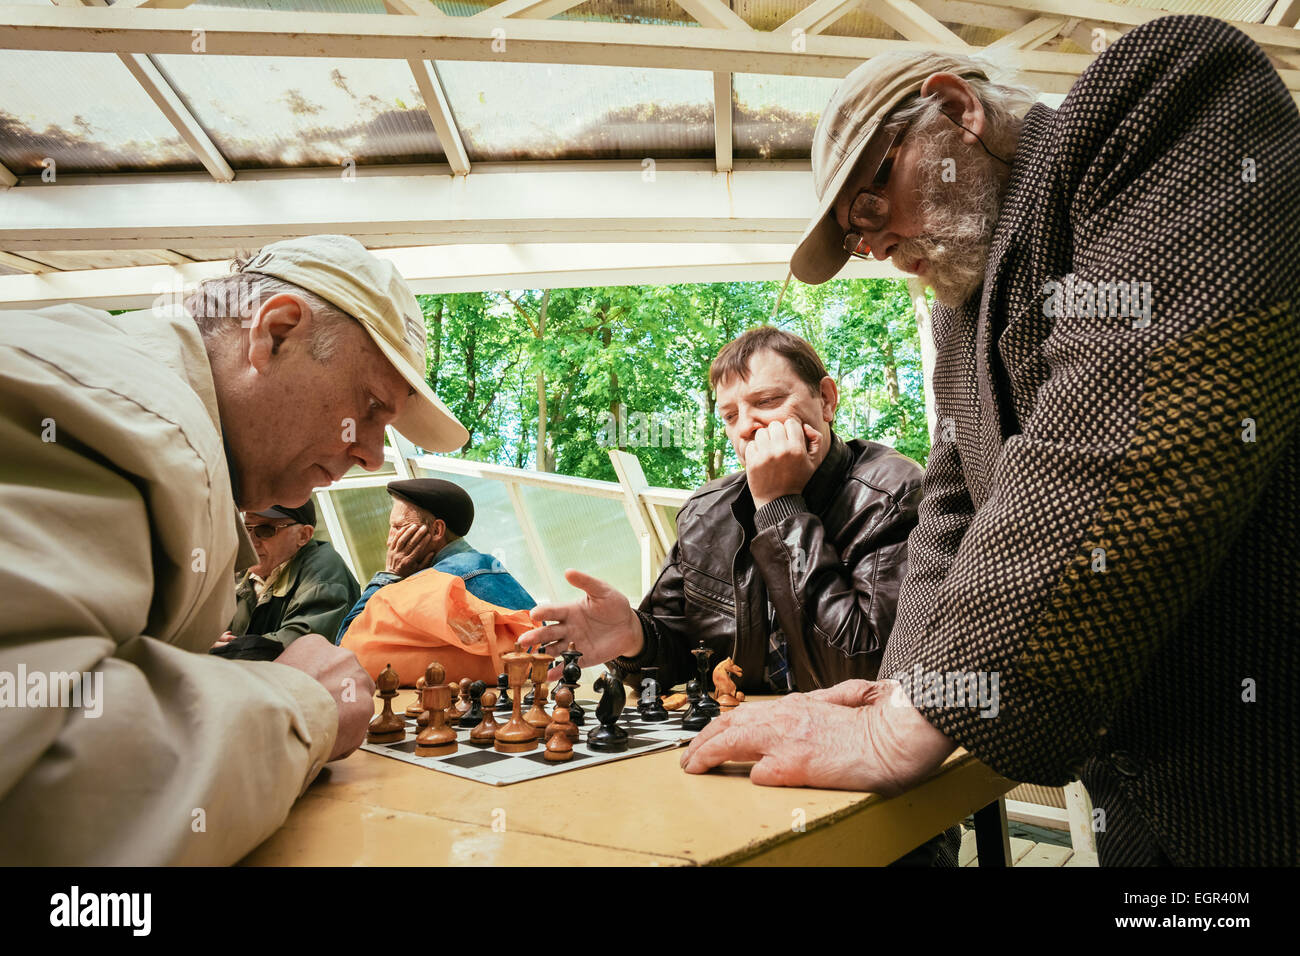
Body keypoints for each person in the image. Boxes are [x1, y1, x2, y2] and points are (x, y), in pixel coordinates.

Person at [679, 15, 1299, 867]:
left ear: (955, 110)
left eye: (871, 201)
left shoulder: (1160, 94)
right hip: (1139, 778)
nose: (878, 246)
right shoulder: (958, 318)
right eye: (860, 241)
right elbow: (951, 513)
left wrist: (914, 721)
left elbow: (1132, 409)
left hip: (1268, 759)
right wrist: (892, 691)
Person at [0, 234, 468, 864]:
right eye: (371, 409)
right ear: (273, 333)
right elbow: (38, 780)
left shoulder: (131, 405)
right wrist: (305, 705)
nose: (371, 455)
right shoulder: (120, 418)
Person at [334, 477, 535, 644]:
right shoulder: (489, 566)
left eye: (398, 527)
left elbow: (349, 642)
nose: (389, 540)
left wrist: (390, 575)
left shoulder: (435, 581)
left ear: (436, 530)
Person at [212, 501, 360, 661]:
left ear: (304, 535)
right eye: (246, 528)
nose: (250, 541)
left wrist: (223, 651)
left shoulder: (324, 577)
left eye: (265, 530)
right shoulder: (240, 569)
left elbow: (299, 647)